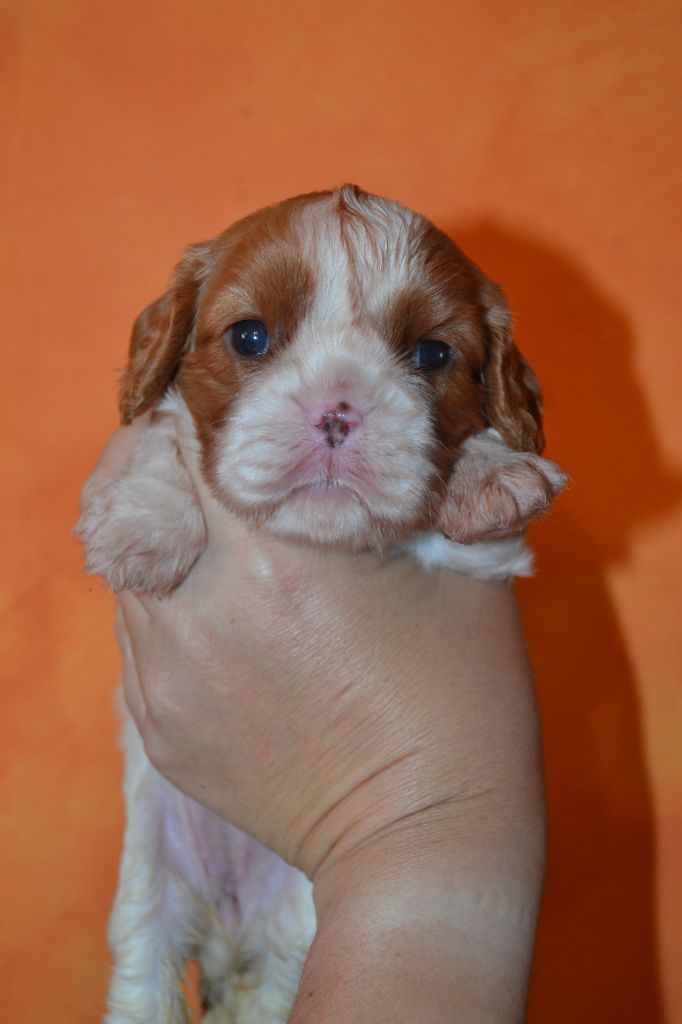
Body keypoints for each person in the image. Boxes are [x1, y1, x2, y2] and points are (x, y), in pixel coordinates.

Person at [103, 421, 546, 1023]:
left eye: (423, 367)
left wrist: (472, 467)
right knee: (144, 977)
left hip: (344, 870)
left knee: (283, 971)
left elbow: (475, 554)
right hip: (184, 808)